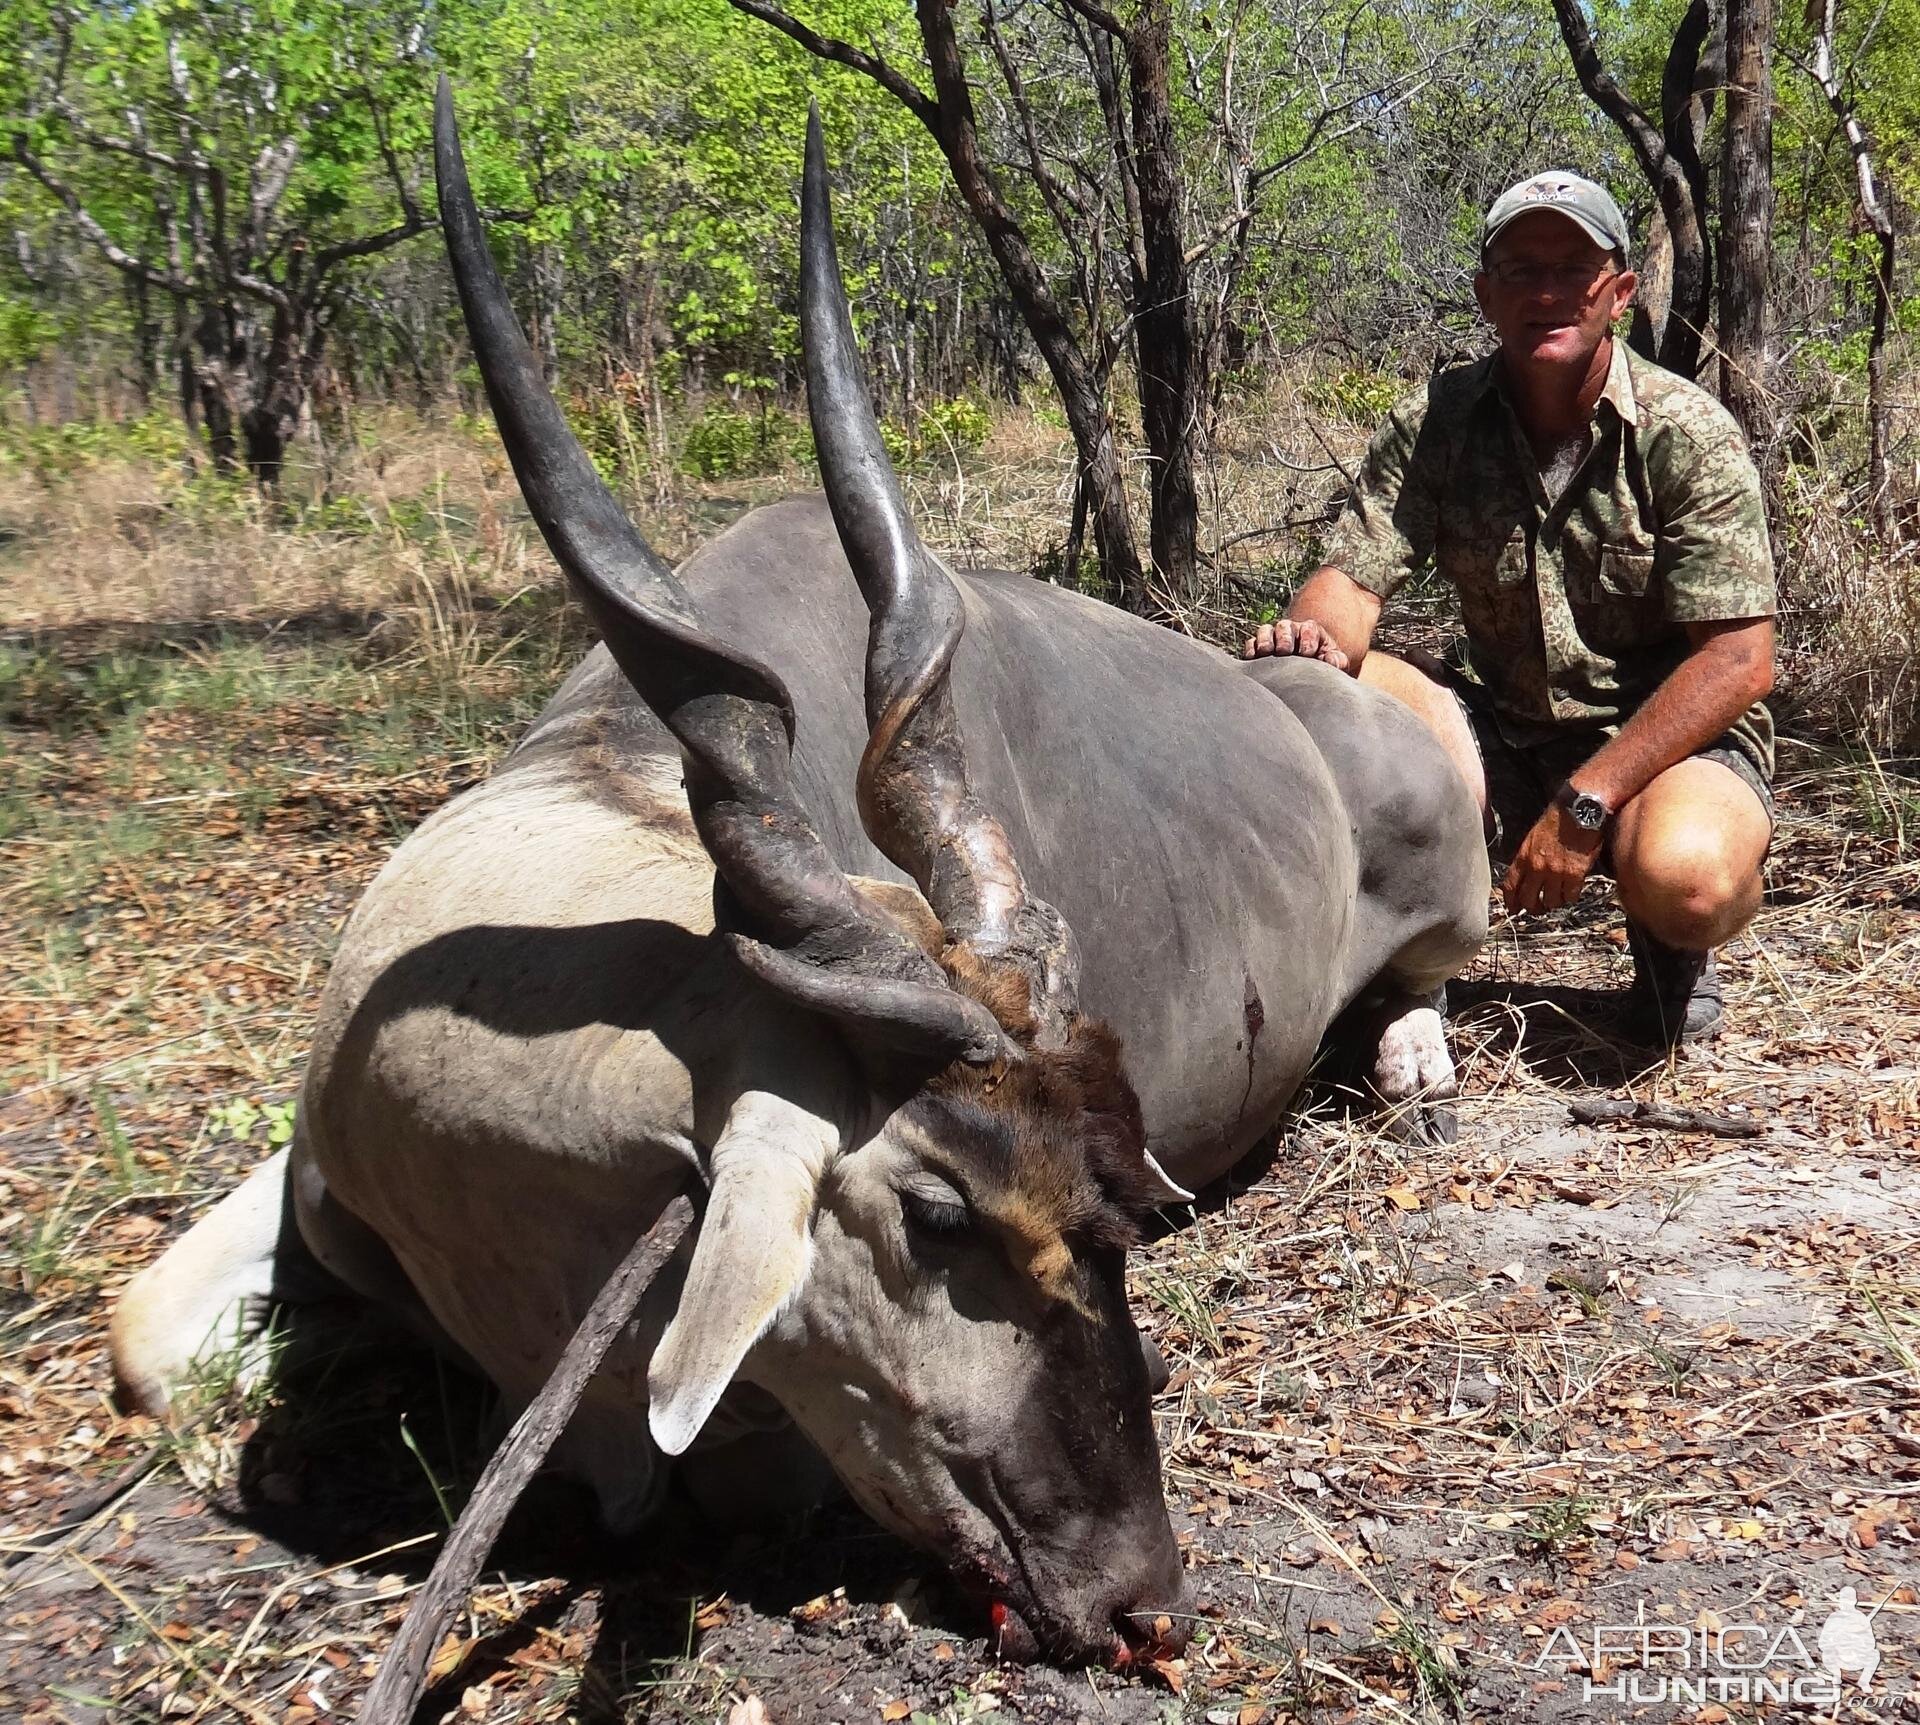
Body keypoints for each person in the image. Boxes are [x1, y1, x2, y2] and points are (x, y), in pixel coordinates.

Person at [1243, 171, 1776, 1045]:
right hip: (1501, 727)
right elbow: (1351, 577)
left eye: (1573, 268)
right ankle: (1406, 967)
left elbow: (1738, 662)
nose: (1547, 292)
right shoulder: (1439, 422)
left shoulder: (1689, 434)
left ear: (1621, 290)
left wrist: (1587, 803)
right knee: (1309, 684)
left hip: (1664, 743)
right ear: (1487, 294)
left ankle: (1672, 953)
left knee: (1691, 879)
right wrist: (1310, 638)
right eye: (1520, 269)